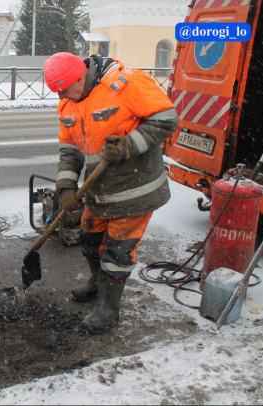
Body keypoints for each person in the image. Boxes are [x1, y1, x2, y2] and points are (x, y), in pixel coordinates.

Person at [43, 52, 178, 334]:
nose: (63, 95)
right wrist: (66, 187)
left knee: (117, 253)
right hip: (99, 191)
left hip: (134, 191)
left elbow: (166, 119)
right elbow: (69, 150)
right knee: (89, 239)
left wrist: (127, 146)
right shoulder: (68, 103)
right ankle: (97, 283)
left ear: (81, 75)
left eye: (66, 87)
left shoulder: (126, 84)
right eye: (57, 90)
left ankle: (109, 309)